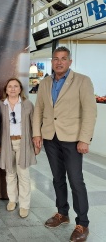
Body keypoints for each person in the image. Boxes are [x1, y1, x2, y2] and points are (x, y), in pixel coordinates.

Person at [33, 46, 97, 242]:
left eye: (63, 58)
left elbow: (90, 111)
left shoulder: (82, 81)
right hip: (51, 138)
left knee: (76, 181)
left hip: (72, 139)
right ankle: (62, 213)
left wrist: (84, 139)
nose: (59, 62)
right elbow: (39, 109)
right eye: (56, 58)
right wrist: (37, 133)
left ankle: (82, 223)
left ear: (69, 62)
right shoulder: (44, 82)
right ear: (52, 62)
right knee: (57, 178)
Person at [0, 78, 39, 218]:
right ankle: (12, 200)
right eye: (10, 86)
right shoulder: (0, 105)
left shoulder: (27, 104)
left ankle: (24, 204)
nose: (13, 89)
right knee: (10, 174)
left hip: (23, 142)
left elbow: (34, 124)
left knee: (24, 175)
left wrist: (36, 143)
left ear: (20, 89)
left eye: (16, 86)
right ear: (6, 89)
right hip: (7, 143)